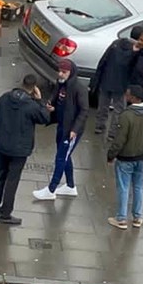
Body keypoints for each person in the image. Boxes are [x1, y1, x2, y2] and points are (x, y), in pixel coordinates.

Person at [0, 74, 50, 225]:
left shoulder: (5, 98)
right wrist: (40, 100)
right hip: (19, 150)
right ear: (34, 88)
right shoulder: (31, 106)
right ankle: (6, 214)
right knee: (12, 180)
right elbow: (45, 118)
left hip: (3, 145)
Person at [106, 85, 143, 230]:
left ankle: (121, 219)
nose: (126, 96)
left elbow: (119, 140)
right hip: (142, 158)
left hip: (125, 158)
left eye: (128, 94)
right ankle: (137, 217)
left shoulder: (126, 116)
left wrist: (111, 155)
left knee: (123, 187)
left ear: (134, 97)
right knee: (138, 186)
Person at [33, 59, 88, 201]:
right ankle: (70, 186)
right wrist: (52, 107)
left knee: (60, 158)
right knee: (65, 156)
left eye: (64, 72)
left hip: (71, 130)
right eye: (60, 71)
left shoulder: (79, 88)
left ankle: (51, 189)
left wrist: (75, 130)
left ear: (71, 72)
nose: (61, 74)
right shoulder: (61, 84)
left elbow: (84, 111)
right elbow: (57, 99)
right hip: (62, 125)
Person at [91, 26, 143, 140]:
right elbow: (135, 70)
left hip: (106, 80)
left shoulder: (116, 43)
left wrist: (97, 79)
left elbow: (103, 60)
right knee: (118, 110)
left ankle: (99, 126)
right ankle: (113, 133)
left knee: (103, 105)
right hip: (121, 84)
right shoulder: (136, 51)